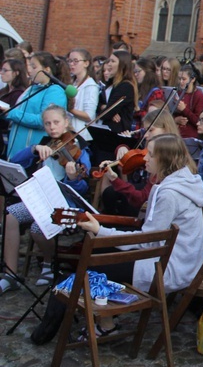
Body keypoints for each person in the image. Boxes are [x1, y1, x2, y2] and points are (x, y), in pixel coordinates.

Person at [76, 133, 203, 337]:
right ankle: (107, 315)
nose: (144, 158)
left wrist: (99, 230)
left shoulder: (170, 193)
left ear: (165, 160)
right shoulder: (179, 182)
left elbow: (147, 242)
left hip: (173, 267)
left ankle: (106, 323)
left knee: (97, 265)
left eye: (150, 155)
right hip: (177, 257)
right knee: (102, 250)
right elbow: (150, 234)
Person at [0, 105, 91, 293]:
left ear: (66, 122)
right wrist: (34, 149)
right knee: (10, 215)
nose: (52, 127)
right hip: (40, 199)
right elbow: (15, 161)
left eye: (56, 122)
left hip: (65, 204)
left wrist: (73, 178)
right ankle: (11, 273)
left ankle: (49, 263)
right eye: (47, 123)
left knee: (37, 227)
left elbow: (83, 188)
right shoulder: (44, 143)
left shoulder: (80, 146)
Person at [98, 109, 180, 217]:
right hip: (143, 186)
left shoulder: (169, 156)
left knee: (121, 197)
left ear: (165, 129)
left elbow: (143, 198)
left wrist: (116, 179)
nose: (146, 135)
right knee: (110, 193)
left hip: (150, 196)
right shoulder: (147, 143)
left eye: (151, 130)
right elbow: (134, 150)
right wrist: (122, 148)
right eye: (146, 130)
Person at [3, 51, 68, 159]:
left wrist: (10, 112)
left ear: (47, 70)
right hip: (16, 149)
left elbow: (42, 120)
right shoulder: (33, 88)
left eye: (34, 67)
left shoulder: (55, 91)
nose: (29, 70)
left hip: (33, 151)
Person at [99, 50, 137, 134]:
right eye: (109, 61)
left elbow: (107, 113)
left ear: (122, 65)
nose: (109, 64)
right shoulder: (110, 83)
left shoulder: (125, 86)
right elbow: (99, 103)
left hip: (116, 131)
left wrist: (108, 110)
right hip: (104, 128)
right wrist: (103, 106)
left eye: (113, 61)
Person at [66, 49, 99, 141]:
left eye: (76, 61)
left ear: (86, 63)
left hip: (80, 135)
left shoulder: (91, 86)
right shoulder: (72, 83)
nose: (71, 64)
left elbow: (89, 116)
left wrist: (69, 109)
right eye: (70, 61)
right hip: (68, 132)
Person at [173, 63, 203, 139]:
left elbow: (200, 122)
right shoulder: (177, 93)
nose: (181, 82)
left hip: (191, 137)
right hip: (176, 135)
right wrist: (175, 119)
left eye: (184, 79)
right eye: (179, 78)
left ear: (193, 79)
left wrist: (184, 110)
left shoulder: (199, 96)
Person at [0, 58, 29, 146]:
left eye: (5, 70)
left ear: (16, 73)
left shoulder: (19, 93)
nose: (1, 72)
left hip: (5, 132)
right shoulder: (4, 90)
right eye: (1, 69)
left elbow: (13, 116)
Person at [134, 57, 164, 123]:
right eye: (134, 72)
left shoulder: (156, 92)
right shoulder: (138, 88)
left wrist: (137, 111)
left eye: (138, 71)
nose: (135, 74)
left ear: (147, 71)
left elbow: (154, 116)